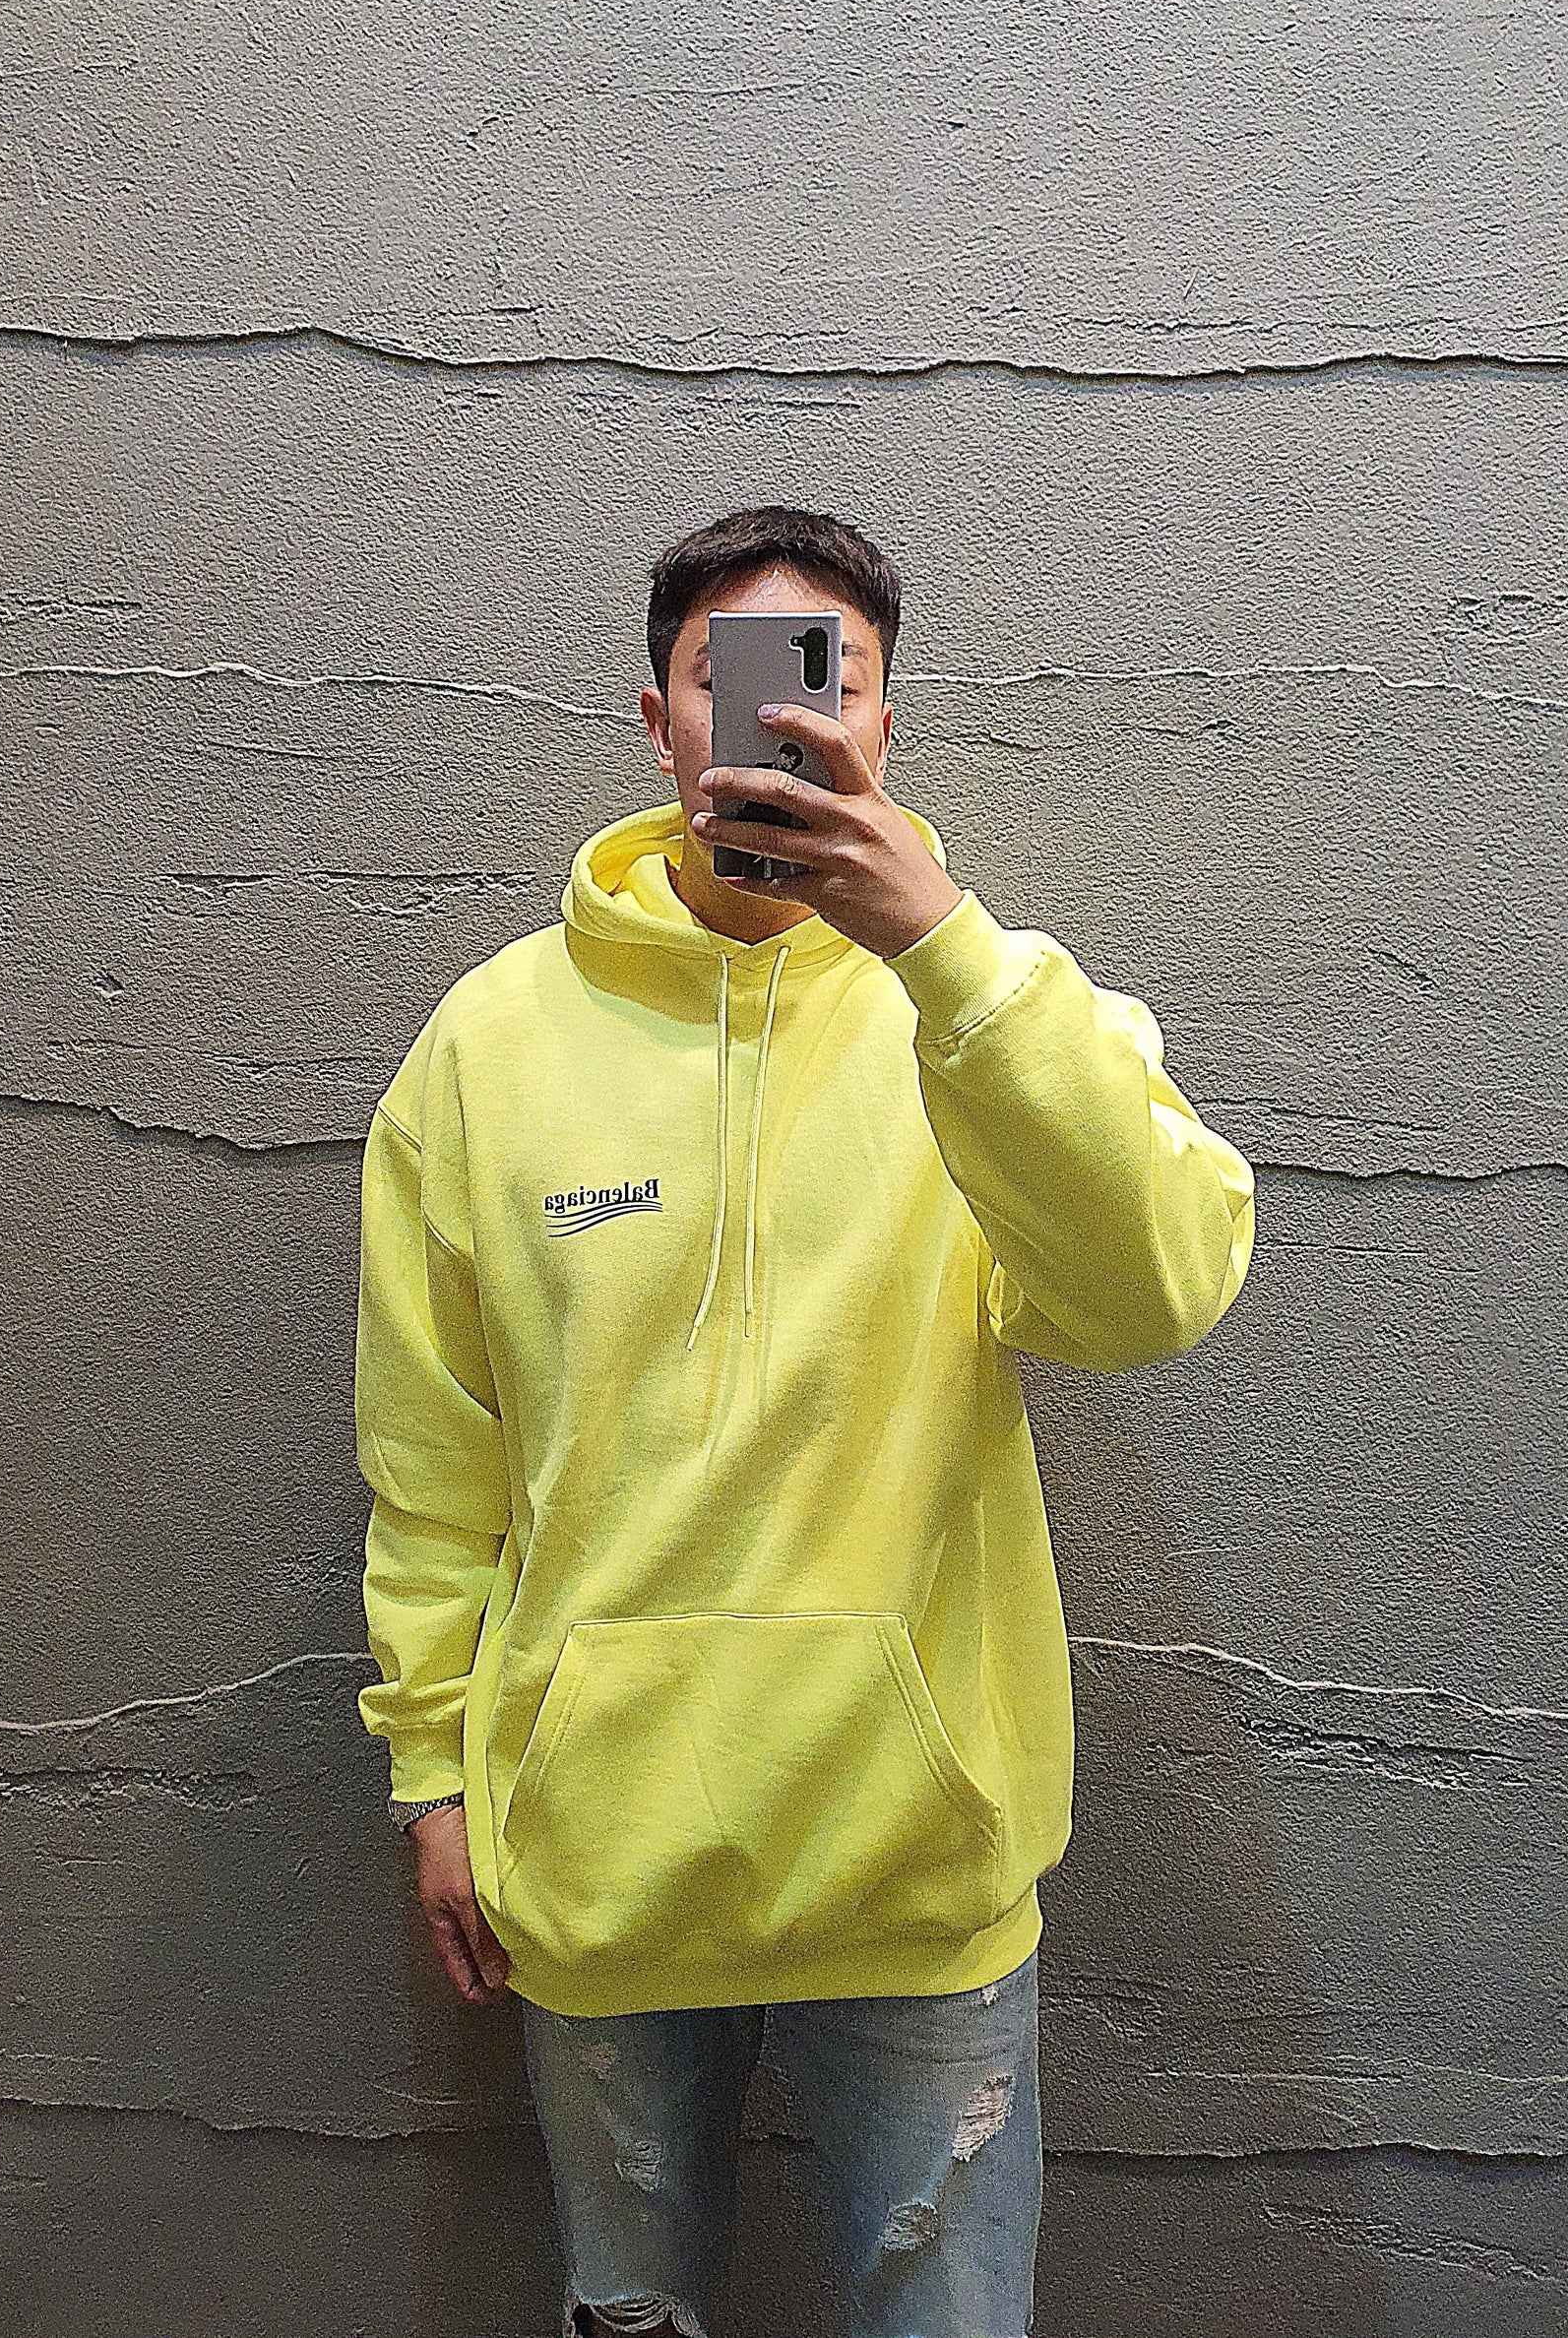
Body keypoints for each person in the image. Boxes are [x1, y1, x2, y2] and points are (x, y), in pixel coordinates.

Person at [353, 504, 1257, 2338]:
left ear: (882, 724)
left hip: (915, 1875)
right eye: (731, 679)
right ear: (659, 720)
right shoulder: (489, 1045)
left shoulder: (997, 1014)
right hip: (597, 1863)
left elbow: (1156, 1294)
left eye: (825, 681)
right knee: (629, 2315)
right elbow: (434, 1457)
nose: (779, 719)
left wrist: (942, 952)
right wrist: (432, 1773)